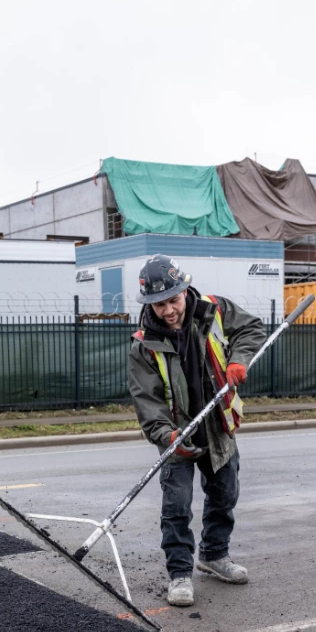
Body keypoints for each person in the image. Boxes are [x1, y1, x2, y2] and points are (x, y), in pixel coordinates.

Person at [127, 254, 267, 607]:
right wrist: (168, 437)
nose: (169, 311)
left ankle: (214, 555)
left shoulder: (213, 309)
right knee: (177, 507)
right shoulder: (143, 345)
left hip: (217, 425)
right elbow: (148, 401)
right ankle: (179, 574)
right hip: (177, 433)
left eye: (173, 300)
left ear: (184, 290)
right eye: (159, 305)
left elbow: (252, 329)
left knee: (225, 494)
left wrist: (238, 359)